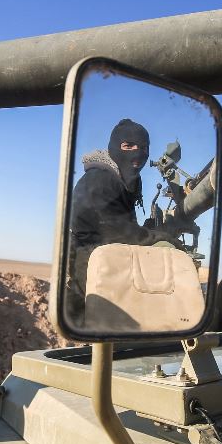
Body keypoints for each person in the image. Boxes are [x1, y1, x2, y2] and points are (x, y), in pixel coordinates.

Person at [67, 119, 166, 319]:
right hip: (89, 269)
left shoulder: (122, 180)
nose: (137, 154)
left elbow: (121, 224)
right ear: (114, 147)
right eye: (128, 146)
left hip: (106, 264)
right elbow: (116, 230)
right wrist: (158, 237)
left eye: (144, 148)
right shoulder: (100, 180)